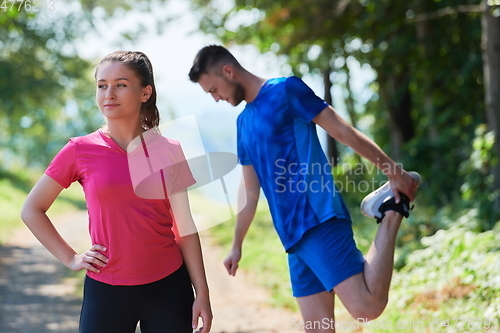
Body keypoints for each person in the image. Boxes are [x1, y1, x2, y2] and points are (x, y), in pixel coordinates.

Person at [188, 45, 419, 332]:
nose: (216, 98)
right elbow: (249, 190)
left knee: (366, 307)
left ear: (228, 71)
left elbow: (341, 130)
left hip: (318, 220)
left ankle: (392, 209)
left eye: (213, 89)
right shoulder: (243, 122)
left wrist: (392, 171)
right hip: (293, 239)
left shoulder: (286, 90)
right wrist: (236, 244)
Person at [21, 51, 212, 333]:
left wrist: (203, 294)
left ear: (145, 92)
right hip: (107, 290)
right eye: (102, 85)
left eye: (121, 84)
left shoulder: (169, 149)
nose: (108, 94)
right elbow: (32, 210)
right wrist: (71, 258)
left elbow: (184, 227)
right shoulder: (79, 150)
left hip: (170, 286)